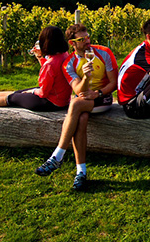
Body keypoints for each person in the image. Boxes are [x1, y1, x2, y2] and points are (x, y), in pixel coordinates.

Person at [34, 23, 118, 191]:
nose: (87, 41)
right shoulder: (68, 63)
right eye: (81, 39)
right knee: (81, 117)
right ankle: (81, 171)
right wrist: (86, 78)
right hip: (84, 101)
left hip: (103, 98)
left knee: (75, 103)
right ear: (72, 43)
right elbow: (78, 89)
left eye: (87, 36)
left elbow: (114, 83)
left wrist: (98, 93)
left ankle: (57, 155)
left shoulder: (104, 52)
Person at [0, 26, 72, 112]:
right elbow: (51, 77)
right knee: (20, 92)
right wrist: (39, 57)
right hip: (62, 99)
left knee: (12, 98)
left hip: (50, 102)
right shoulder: (65, 55)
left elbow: (43, 92)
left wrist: (32, 91)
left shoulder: (50, 64)